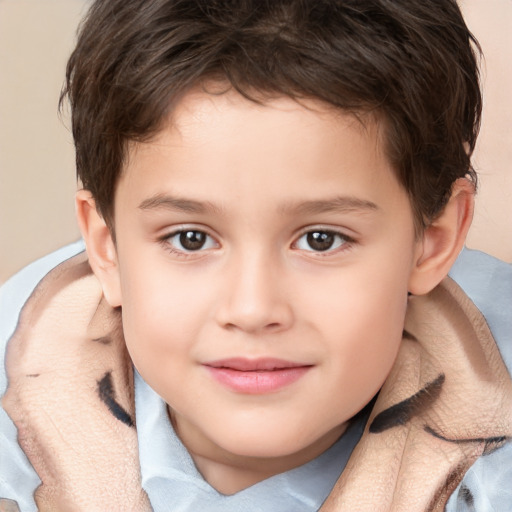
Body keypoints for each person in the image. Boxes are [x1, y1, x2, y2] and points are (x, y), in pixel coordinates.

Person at [1, 0, 511, 510]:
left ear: (434, 240)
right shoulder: (22, 375)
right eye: (190, 238)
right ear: (105, 247)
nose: (252, 309)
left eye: (321, 239)